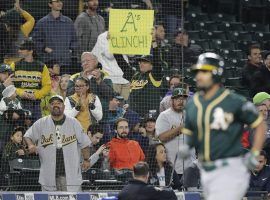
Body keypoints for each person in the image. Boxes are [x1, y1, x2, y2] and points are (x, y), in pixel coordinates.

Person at [180, 52, 266, 200]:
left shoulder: (234, 101)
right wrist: (188, 144)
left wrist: (254, 152)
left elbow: (259, 125)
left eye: (204, 72)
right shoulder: (193, 104)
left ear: (216, 74)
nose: (199, 76)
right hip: (206, 169)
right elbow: (190, 131)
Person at [24, 95, 91, 192]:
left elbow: (84, 143)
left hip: (70, 176)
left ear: (63, 106)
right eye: (52, 103)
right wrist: (30, 145)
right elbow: (27, 136)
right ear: (48, 107)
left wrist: (86, 159)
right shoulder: (41, 123)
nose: (55, 105)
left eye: (58, 103)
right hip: (48, 175)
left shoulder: (74, 122)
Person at [156, 87, 196, 179]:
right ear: (172, 100)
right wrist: (180, 128)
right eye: (178, 99)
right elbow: (161, 137)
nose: (181, 101)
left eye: (183, 99)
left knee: (191, 192)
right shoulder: (164, 116)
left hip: (190, 166)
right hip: (172, 167)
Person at [31, 0, 78, 74]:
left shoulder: (68, 22)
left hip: (66, 62)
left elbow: (74, 40)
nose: (59, 3)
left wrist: (70, 50)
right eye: (56, 1)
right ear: (50, 4)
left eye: (61, 1)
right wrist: (45, 48)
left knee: (65, 84)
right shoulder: (42, 23)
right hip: (49, 62)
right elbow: (35, 41)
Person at [10, 39, 51, 120]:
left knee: (36, 129)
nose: (19, 51)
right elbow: (8, 85)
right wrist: (20, 93)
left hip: (35, 104)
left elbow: (47, 86)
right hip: (18, 103)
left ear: (30, 51)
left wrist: (36, 95)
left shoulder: (42, 66)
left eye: (22, 49)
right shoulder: (14, 65)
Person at [92, 31, 131, 100]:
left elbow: (131, 54)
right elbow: (109, 55)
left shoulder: (126, 33)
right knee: (113, 106)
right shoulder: (103, 36)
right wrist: (111, 41)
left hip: (126, 78)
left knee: (125, 107)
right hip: (112, 79)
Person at [0, 0, 35, 64]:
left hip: (6, 63)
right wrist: (20, 10)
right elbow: (31, 19)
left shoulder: (3, 29)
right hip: (20, 63)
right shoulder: (23, 29)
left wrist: (2, 15)